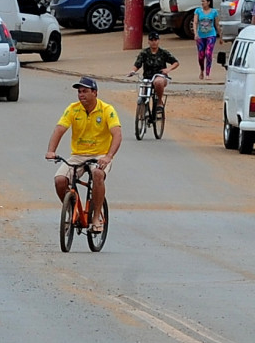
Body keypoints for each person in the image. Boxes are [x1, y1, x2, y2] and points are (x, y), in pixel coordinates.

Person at [47, 76, 121, 224]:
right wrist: (51, 150)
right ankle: (73, 211)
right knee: (60, 180)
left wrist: (108, 156)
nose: (81, 95)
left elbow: (117, 134)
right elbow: (59, 129)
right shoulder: (73, 109)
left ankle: (95, 217)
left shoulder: (107, 110)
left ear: (95, 93)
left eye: (85, 91)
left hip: (100, 155)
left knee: (97, 174)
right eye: (79, 92)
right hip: (78, 155)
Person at [132, 33, 179, 110]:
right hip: (147, 77)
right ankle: (142, 111)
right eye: (151, 40)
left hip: (160, 76)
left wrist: (168, 69)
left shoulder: (163, 53)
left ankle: (159, 101)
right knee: (143, 90)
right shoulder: (144, 53)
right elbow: (137, 64)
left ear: (158, 41)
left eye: (155, 40)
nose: (154, 42)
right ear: (148, 41)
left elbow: (176, 63)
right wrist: (132, 71)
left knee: (158, 82)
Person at [193, 0, 219, 78]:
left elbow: (217, 24)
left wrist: (221, 36)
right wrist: (195, 33)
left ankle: (208, 73)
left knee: (208, 53)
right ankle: (201, 70)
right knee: (201, 56)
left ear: (208, 2)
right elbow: (195, 22)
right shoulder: (198, 11)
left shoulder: (214, 12)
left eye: (203, 1)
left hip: (211, 34)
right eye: (201, 1)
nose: (202, 3)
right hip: (200, 36)